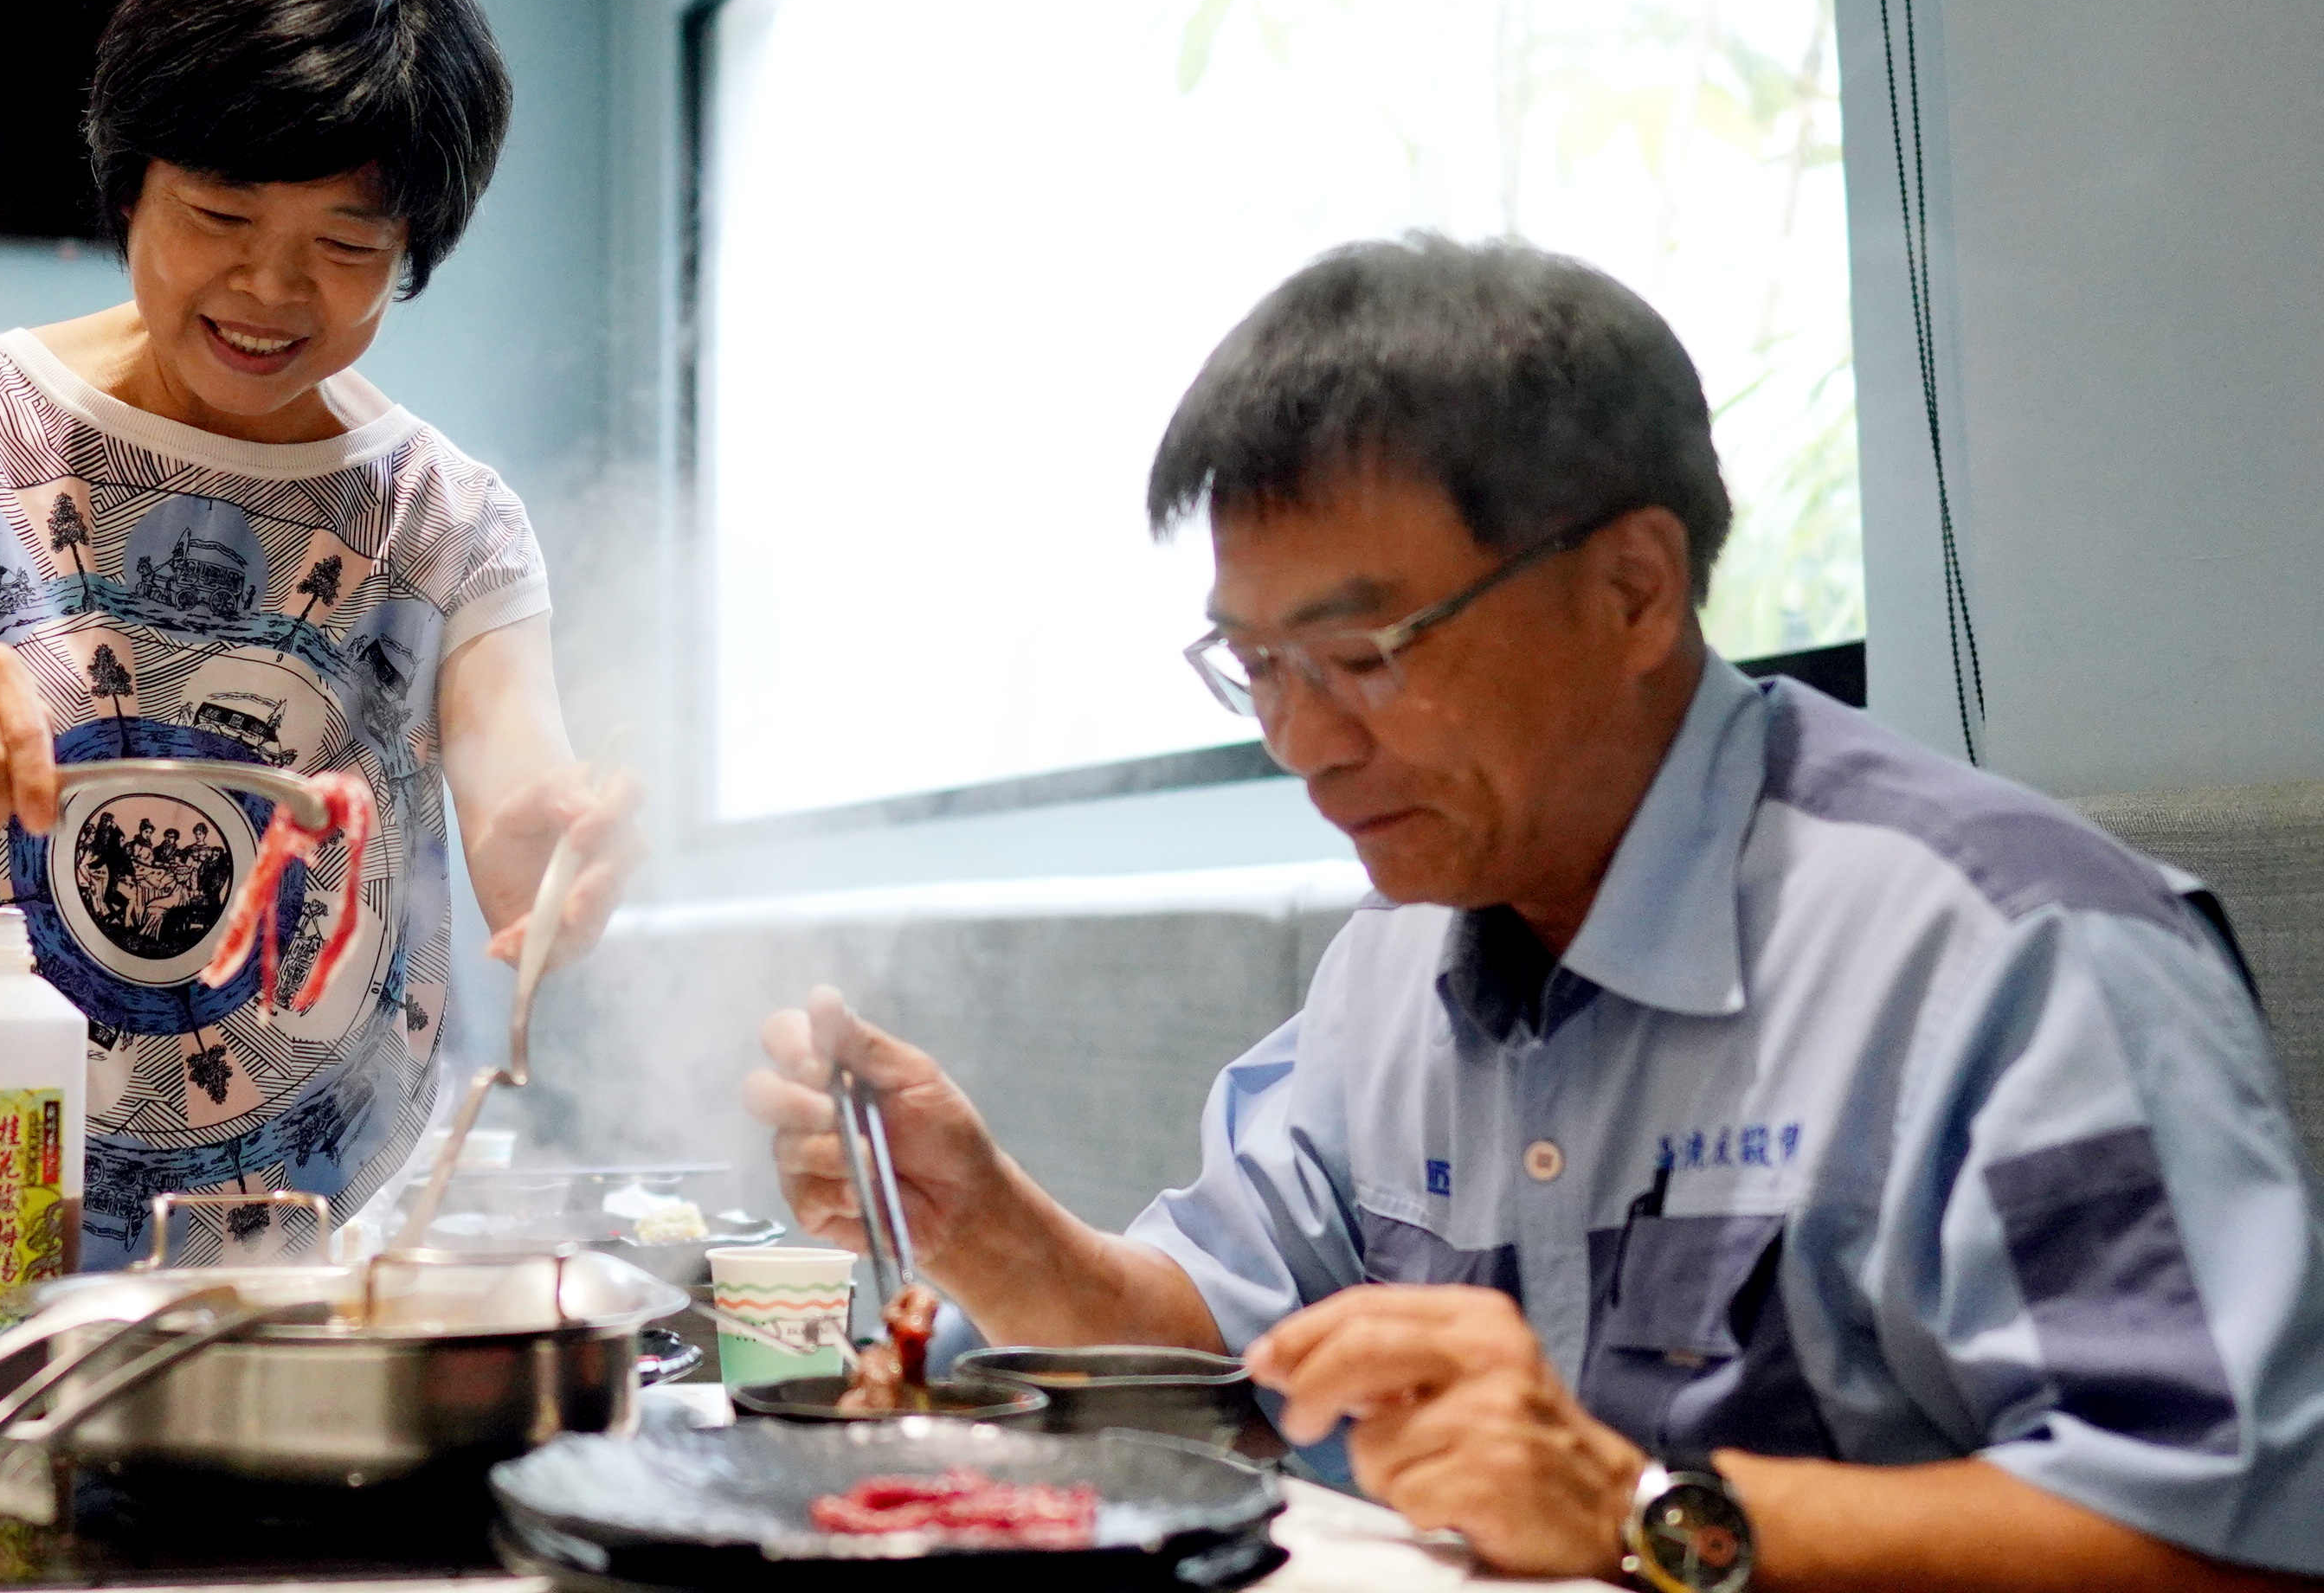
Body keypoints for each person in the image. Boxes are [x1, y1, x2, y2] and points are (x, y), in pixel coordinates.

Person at [746, 238, 2324, 1587]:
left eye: (1362, 655)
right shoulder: (1396, 955)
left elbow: (2233, 1537)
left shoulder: (2006, 950)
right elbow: (1217, 1353)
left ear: (1633, 590)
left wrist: (1636, 1511)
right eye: (1255, 667)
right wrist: (986, 1228)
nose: (1302, 740)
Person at [0, 0, 630, 1269]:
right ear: (129, 188)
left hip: (253, 1236)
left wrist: (557, 858)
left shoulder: (444, 521)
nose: (270, 288)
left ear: (416, 248)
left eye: (347, 248)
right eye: (220, 216)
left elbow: (522, 796)